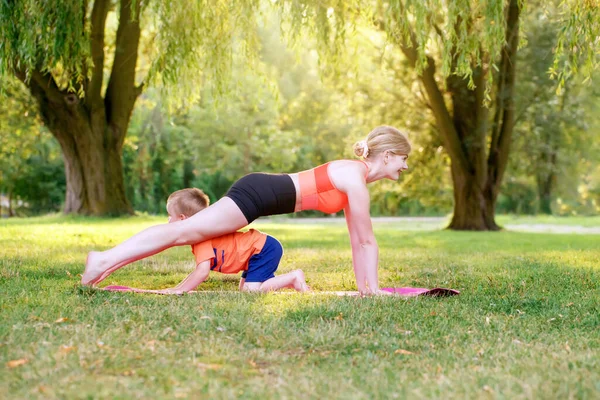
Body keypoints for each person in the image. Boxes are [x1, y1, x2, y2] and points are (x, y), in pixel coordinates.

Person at [83, 125, 411, 295]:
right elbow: (367, 242)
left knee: (182, 233)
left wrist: (369, 290)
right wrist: (374, 290)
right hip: (256, 194)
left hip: (260, 195)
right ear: (387, 155)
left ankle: (108, 263)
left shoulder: (355, 178)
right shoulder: (354, 177)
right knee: (183, 231)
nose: (405, 166)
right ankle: (104, 259)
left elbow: (358, 241)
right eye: (403, 158)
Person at [117, 188, 310, 294]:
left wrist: (179, 291)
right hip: (257, 249)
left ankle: (293, 277)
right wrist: (178, 288)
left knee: (251, 292)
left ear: (183, 219)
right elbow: (198, 272)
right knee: (244, 290)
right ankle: (284, 281)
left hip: (262, 249)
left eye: (170, 216)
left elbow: (201, 273)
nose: (168, 220)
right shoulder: (201, 233)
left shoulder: (200, 237)